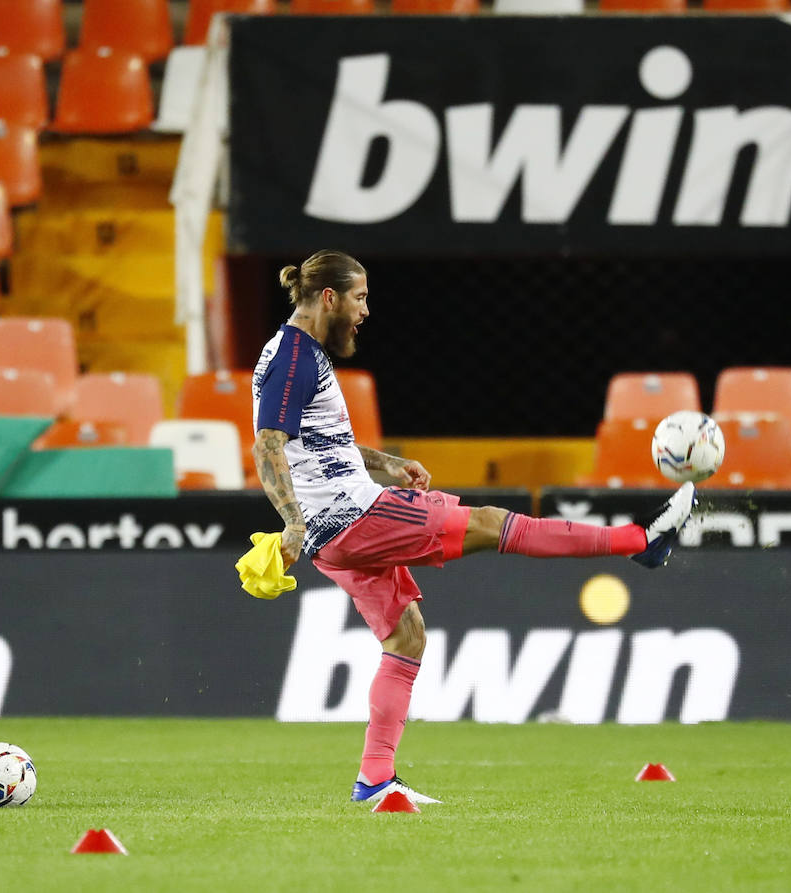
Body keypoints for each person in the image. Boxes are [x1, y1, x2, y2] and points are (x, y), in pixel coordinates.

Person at [251, 250, 696, 805]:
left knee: (405, 636)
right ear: (330, 299)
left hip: (337, 528)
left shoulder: (298, 354)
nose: (367, 311)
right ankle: (641, 541)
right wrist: (292, 521)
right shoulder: (293, 357)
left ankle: (374, 782)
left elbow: (316, 443)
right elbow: (268, 444)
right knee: (490, 523)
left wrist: (387, 463)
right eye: (361, 298)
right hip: (351, 519)